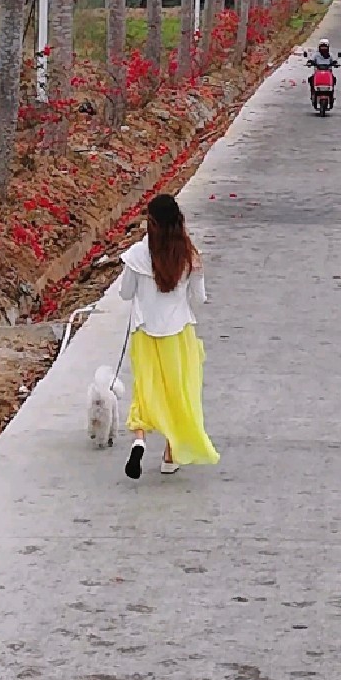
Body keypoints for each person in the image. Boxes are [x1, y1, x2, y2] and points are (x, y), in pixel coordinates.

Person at [119, 192, 220, 479]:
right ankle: (170, 454)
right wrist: (194, 277)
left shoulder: (137, 255)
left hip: (145, 333)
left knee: (145, 389)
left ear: (150, 223)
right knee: (178, 392)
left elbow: (125, 293)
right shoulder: (188, 255)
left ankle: (139, 440)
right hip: (178, 334)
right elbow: (198, 299)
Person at [306, 36, 340, 103]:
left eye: (325, 46)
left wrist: (335, 63)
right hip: (318, 72)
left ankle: (331, 94)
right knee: (310, 79)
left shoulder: (330, 55)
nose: (323, 48)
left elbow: (334, 61)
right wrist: (309, 63)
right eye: (322, 46)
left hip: (328, 72)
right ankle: (313, 93)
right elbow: (311, 60)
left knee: (334, 79)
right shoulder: (316, 55)